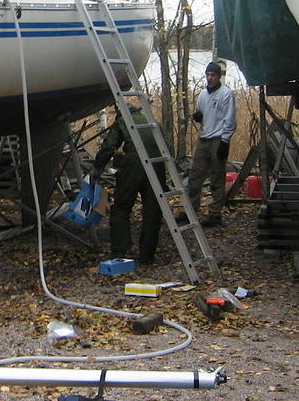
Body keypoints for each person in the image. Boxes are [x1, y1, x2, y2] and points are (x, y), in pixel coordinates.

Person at [90, 104, 167, 265]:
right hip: (157, 165)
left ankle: (119, 252)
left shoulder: (123, 121)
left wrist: (97, 168)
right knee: (153, 211)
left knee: (121, 208)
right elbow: (168, 149)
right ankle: (147, 256)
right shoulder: (152, 122)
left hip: (134, 164)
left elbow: (109, 146)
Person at [182, 61, 236, 227]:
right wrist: (198, 116)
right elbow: (201, 112)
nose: (210, 78)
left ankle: (214, 213)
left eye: (213, 75)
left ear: (219, 76)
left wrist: (225, 142)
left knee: (217, 177)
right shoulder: (203, 95)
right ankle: (190, 210)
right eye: (208, 75)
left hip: (218, 138)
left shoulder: (226, 94)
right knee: (195, 176)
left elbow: (230, 118)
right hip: (204, 137)